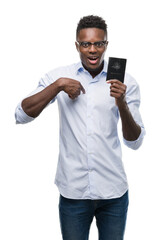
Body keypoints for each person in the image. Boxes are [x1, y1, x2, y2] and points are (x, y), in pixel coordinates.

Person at [15, 15, 145, 240]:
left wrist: (121, 103)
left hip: (113, 192)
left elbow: (134, 142)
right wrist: (58, 86)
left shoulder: (126, 82)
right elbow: (21, 114)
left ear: (106, 44)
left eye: (98, 43)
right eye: (85, 44)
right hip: (73, 192)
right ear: (77, 45)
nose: (92, 49)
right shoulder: (58, 76)